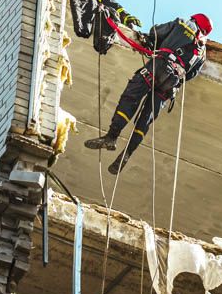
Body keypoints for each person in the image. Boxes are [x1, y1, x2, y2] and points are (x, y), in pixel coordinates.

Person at [84, 13, 211, 174]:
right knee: (146, 118)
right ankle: (127, 154)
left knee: (130, 99)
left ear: (194, 19)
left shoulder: (182, 24)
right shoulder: (202, 51)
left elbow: (156, 32)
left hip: (157, 67)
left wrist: (157, 44)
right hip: (170, 84)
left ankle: (111, 136)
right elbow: (191, 74)